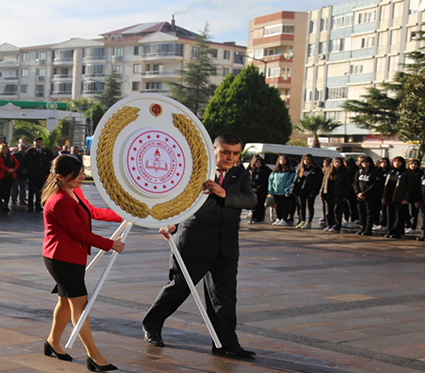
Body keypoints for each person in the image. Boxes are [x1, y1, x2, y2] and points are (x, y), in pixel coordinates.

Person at [143, 134, 257, 357]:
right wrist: (170, 223)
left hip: (226, 246)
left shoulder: (241, 174)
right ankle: (152, 324)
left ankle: (225, 343)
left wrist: (223, 192)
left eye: (235, 153)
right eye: (225, 152)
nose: (230, 157)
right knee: (178, 288)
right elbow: (176, 200)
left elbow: (250, 200)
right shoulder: (195, 172)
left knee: (224, 297)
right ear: (213, 149)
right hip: (193, 242)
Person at [41, 154, 123, 371]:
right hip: (61, 259)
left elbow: (93, 212)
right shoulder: (58, 201)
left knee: (66, 302)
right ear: (60, 177)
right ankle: (93, 356)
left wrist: (124, 215)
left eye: (80, 173)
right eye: (76, 174)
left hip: (71, 257)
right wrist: (109, 243)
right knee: (80, 306)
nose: (81, 177)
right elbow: (79, 233)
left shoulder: (74, 191)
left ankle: (53, 342)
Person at [382, 156, 412, 238]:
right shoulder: (390, 172)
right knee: (390, 215)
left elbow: (409, 187)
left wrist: (406, 198)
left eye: (399, 162)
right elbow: (386, 185)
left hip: (400, 197)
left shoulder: (406, 173)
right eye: (395, 162)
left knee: (399, 216)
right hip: (389, 197)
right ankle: (390, 231)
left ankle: (397, 232)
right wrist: (384, 197)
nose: (396, 163)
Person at [353, 156, 383, 236]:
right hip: (360, 196)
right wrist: (358, 192)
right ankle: (363, 227)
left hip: (370, 196)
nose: (365, 164)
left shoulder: (375, 171)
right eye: (363, 162)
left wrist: (365, 193)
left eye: (366, 162)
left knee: (369, 213)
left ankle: (368, 229)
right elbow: (355, 183)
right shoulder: (359, 171)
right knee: (361, 212)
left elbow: (375, 184)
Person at [292, 154, 322, 229]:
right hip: (301, 190)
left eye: (308, 159)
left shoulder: (316, 169)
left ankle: (309, 222)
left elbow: (317, 182)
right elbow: (296, 179)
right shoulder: (301, 169)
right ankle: (302, 220)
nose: (306, 161)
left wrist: (314, 192)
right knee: (301, 206)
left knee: (310, 206)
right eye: (304, 159)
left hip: (310, 190)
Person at [321, 157, 350, 232]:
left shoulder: (345, 172)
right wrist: (322, 192)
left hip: (339, 193)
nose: (337, 164)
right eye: (335, 162)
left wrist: (346, 195)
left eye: (339, 162)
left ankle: (337, 225)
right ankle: (329, 224)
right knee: (328, 210)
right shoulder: (328, 171)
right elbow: (324, 182)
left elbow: (347, 184)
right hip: (329, 192)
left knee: (337, 210)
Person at [25, 137, 54, 211]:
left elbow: (51, 160)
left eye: (39, 142)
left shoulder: (46, 151)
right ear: (33, 143)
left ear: (42, 143)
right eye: (36, 142)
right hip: (33, 174)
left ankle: (38, 205)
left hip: (42, 174)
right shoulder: (30, 151)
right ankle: (30, 205)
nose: (38, 143)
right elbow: (25, 162)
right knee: (31, 190)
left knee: (40, 190)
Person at [0, 143, 19, 212]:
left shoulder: (11, 156)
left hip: (9, 176)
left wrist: (13, 170)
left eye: (6, 148)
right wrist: (8, 169)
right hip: (0, 176)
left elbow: (17, 164)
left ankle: (6, 204)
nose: (4, 150)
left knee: (7, 191)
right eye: (3, 148)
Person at [267, 154, 294, 226]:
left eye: (284, 159)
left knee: (285, 206)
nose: (282, 160)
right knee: (277, 206)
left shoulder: (290, 170)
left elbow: (290, 180)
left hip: (284, 192)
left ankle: (284, 219)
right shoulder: (276, 170)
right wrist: (270, 189)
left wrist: (287, 190)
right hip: (276, 191)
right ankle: (278, 218)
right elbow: (271, 179)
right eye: (280, 159)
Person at [247, 155, 270, 224]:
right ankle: (253, 218)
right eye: (256, 162)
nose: (258, 164)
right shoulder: (251, 171)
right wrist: (251, 188)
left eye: (259, 162)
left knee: (260, 204)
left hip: (262, 191)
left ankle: (259, 219)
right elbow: (248, 180)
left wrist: (258, 188)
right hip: (252, 190)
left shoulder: (266, 170)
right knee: (253, 204)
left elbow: (266, 181)